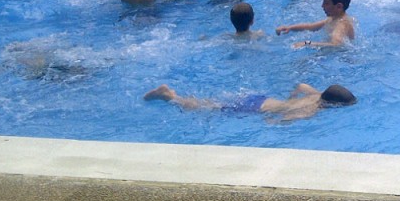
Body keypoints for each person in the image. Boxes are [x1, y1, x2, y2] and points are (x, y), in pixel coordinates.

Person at [143, 81, 356, 121]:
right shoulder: (313, 109)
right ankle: (170, 97)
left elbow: (300, 85)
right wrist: (278, 119)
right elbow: (281, 120)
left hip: (260, 99)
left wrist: (288, 100)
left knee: (213, 103)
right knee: (206, 109)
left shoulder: (315, 94)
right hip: (256, 108)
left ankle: (173, 95)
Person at [276, 0, 355, 48]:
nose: (322, 6)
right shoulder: (333, 19)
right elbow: (310, 27)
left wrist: (306, 43)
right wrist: (289, 27)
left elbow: (335, 45)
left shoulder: (342, 24)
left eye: (326, 3)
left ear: (339, 6)